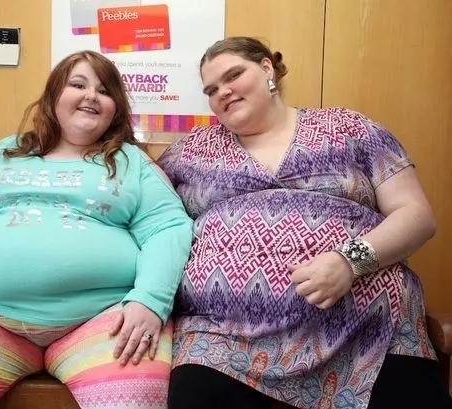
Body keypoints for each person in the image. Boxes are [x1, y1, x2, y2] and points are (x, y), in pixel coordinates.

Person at [0, 50, 193, 409]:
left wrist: (150, 300)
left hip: (102, 318)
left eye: (104, 90)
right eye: (78, 84)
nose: (91, 95)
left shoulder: (131, 162)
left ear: (116, 109)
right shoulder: (5, 152)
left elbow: (168, 227)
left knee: (132, 403)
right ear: (53, 96)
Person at [158, 36, 452, 409]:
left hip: (367, 326)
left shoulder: (347, 127)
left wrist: (349, 262)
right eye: (211, 90)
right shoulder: (190, 150)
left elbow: (416, 215)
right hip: (222, 340)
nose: (222, 92)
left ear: (267, 69)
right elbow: (138, 207)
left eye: (233, 76)